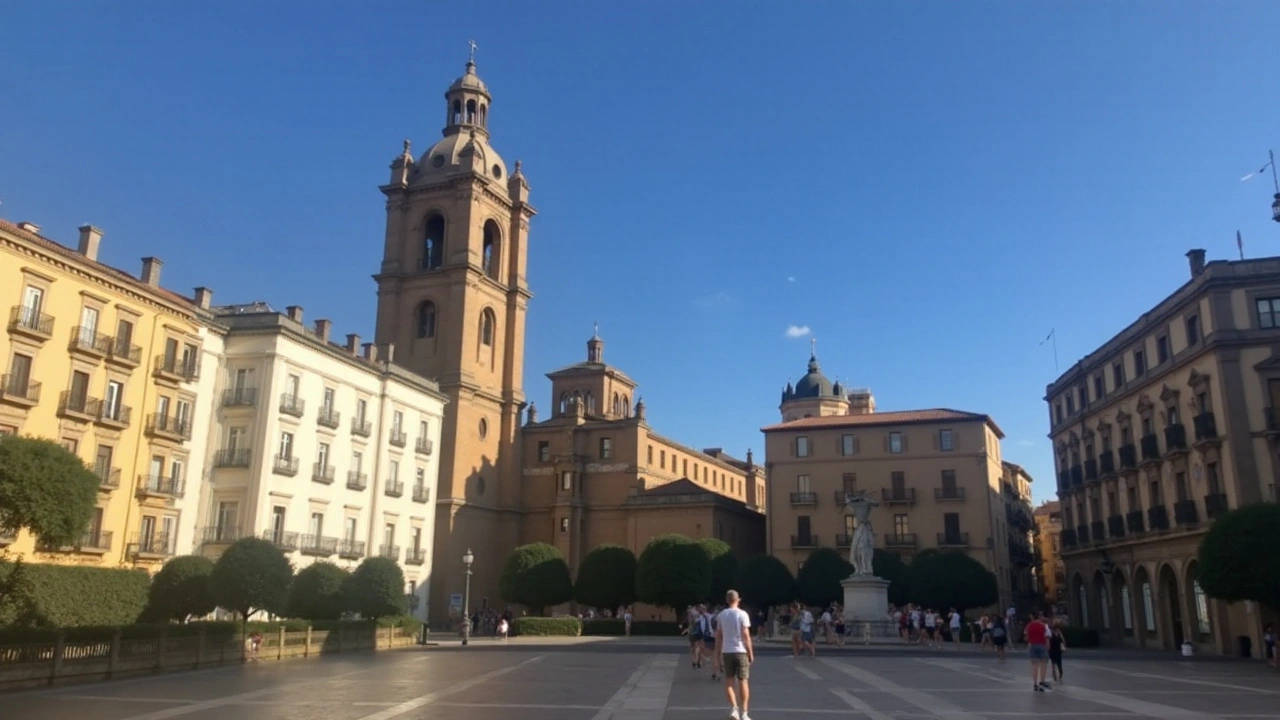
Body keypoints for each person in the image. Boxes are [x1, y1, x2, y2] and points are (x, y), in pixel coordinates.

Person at [713, 589, 754, 720]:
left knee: (729, 682)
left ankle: (734, 709)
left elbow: (718, 637)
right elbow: (746, 635)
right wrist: (750, 652)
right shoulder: (743, 614)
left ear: (727, 600)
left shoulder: (721, 615)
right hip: (741, 651)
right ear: (738, 600)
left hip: (727, 651)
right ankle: (745, 713)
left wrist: (717, 655)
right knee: (743, 682)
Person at [1025, 611, 1051, 691]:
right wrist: (1048, 646)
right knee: (1043, 664)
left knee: (1034, 665)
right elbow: (1047, 636)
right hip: (1042, 645)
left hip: (1032, 645)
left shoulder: (1029, 626)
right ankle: (1042, 681)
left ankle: (1035, 683)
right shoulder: (1044, 626)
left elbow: (1026, 637)